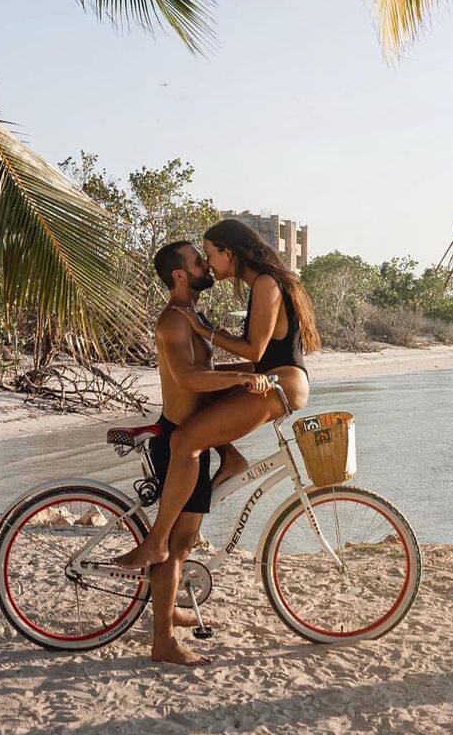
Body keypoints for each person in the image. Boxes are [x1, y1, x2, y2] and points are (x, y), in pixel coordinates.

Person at [114, 219, 319, 581]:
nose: (208, 263)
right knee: (206, 401)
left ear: (230, 252)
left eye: (209, 254)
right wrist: (229, 372)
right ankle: (231, 457)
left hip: (281, 385)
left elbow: (255, 351)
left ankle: (157, 540)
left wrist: (206, 331)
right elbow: (253, 360)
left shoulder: (266, 283)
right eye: (201, 258)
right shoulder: (262, 283)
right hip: (278, 379)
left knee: (185, 440)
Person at [140, 240, 265, 666]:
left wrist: (249, 370)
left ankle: (169, 608)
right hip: (178, 439)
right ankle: (163, 642)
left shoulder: (194, 316)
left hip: (196, 436)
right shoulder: (173, 320)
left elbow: (207, 371)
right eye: (197, 262)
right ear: (179, 275)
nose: (205, 266)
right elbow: (189, 378)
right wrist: (239, 381)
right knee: (173, 544)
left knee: (185, 541)